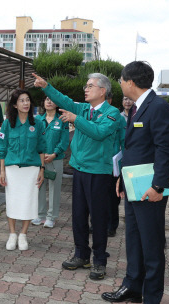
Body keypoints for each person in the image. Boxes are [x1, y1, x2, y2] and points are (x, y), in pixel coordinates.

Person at [33, 72, 121, 281]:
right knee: (79, 216)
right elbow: (63, 100)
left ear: (102, 90)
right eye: (86, 85)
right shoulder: (83, 108)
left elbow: (99, 132)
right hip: (79, 170)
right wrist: (47, 86)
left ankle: (99, 260)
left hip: (99, 172)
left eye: (90, 85)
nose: (86, 88)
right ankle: (81, 254)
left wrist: (76, 120)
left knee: (98, 218)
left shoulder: (112, 113)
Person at [102, 61, 169, 304]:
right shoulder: (137, 107)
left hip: (150, 187)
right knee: (133, 238)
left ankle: (152, 296)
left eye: (122, 80)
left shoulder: (157, 107)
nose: (120, 84)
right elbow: (134, 148)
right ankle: (132, 286)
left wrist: (158, 187)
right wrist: (122, 179)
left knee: (152, 244)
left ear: (131, 82)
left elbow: (165, 149)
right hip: (134, 184)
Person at [0, 89, 46, 251]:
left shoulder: (37, 123)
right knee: (12, 201)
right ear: (14, 104)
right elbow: (2, 148)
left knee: (29, 201)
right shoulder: (7, 124)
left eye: (27, 100)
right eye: (21, 101)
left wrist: (42, 169)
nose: (26, 103)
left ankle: (23, 234)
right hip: (12, 169)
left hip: (31, 169)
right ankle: (12, 234)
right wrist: (2, 171)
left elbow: (41, 148)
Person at [32, 95, 70, 228]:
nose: (49, 101)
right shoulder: (37, 119)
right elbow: (33, 138)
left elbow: (64, 140)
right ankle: (40, 214)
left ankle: (51, 217)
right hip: (39, 159)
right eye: (47, 99)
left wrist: (54, 154)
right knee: (39, 186)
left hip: (55, 159)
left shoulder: (62, 120)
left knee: (55, 188)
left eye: (52, 99)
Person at [108, 93, 127, 238]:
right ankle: (95, 224)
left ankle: (112, 225)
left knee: (113, 197)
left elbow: (124, 142)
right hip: (99, 163)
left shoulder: (119, 118)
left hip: (115, 163)